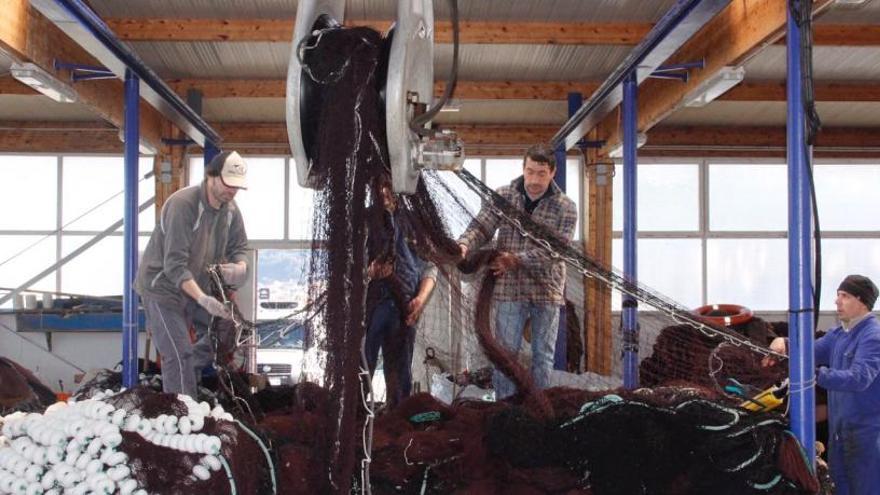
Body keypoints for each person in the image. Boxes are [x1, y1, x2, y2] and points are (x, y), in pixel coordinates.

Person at [457, 144, 577, 399]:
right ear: (523, 168)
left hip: (547, 292)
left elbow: (556, 251)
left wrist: (516, 260)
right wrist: (465, 243)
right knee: (505, 354)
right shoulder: (504, 196)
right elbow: (482, 226)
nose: (534, 180)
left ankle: (537, 410)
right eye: (530, 171)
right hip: (509, 290)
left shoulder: (566, 207)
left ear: (553, 173)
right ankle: (506, 409)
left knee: (542, 357)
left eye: (541, 173)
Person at [135, 151, 250, 398]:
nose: (232, 192)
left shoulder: (230, 210)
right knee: (178, 353)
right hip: (163, 290)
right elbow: (174, 265)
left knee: (228, 329)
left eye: (237, 187)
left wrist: (240, 268)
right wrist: (204, 300)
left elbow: (239, 247)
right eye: (228, 184)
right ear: (212, 176)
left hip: (198, 285)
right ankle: (184, 415)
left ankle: (186, 371)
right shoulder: (182, 205)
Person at [768, 274, 880, 495]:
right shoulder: (839, 334)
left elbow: (859, 378)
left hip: (866, 438)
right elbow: (811, 350)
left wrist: (814, 374)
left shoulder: (872, 336)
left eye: (844, 296)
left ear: (862, 301)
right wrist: (785, 344)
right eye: (837, 295)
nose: (837, 301)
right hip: (839, 436)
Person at [364, 176, 437, 407]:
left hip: (405, 308)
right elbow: (348, 266)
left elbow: (430, 267)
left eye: (390, 186)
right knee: (363, 366)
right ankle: (358, 417)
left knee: (400, 370)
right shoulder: (365, 220)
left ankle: (396, 416)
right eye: (380, 186)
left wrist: (420, 300)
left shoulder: (415, 221)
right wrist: (370, 272)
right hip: (371, 307)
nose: (385, 192)